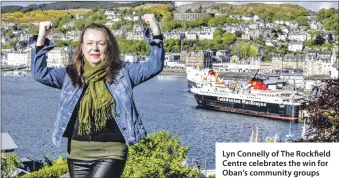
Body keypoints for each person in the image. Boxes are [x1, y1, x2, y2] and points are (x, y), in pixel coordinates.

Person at [29, 14, 164, 178]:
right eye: (90, 43)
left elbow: (154, 66)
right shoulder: (70, 74)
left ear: (109, 47)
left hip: (112, 151)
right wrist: (42, 36)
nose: (95, 48)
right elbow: (39, 73)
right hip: (77, 153)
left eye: (101, 43)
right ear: (82, 47)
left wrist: (155, 30)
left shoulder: (123, 73)